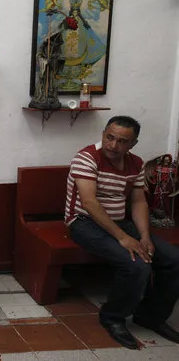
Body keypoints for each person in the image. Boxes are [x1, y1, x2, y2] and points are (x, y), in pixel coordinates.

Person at [66, 116, 179, 349]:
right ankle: (113, 318)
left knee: (173, 259)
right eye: (110, 137)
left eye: (122, 141)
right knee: (136, 265)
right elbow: (89, 203)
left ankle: (151, 316)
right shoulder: (86, 158)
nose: (113, 145)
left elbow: (138, 202)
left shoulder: (136, 163)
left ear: (133, 144)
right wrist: (124, 238)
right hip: (84, 222)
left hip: (119, 221)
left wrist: (144, 236)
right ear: (103, 134)